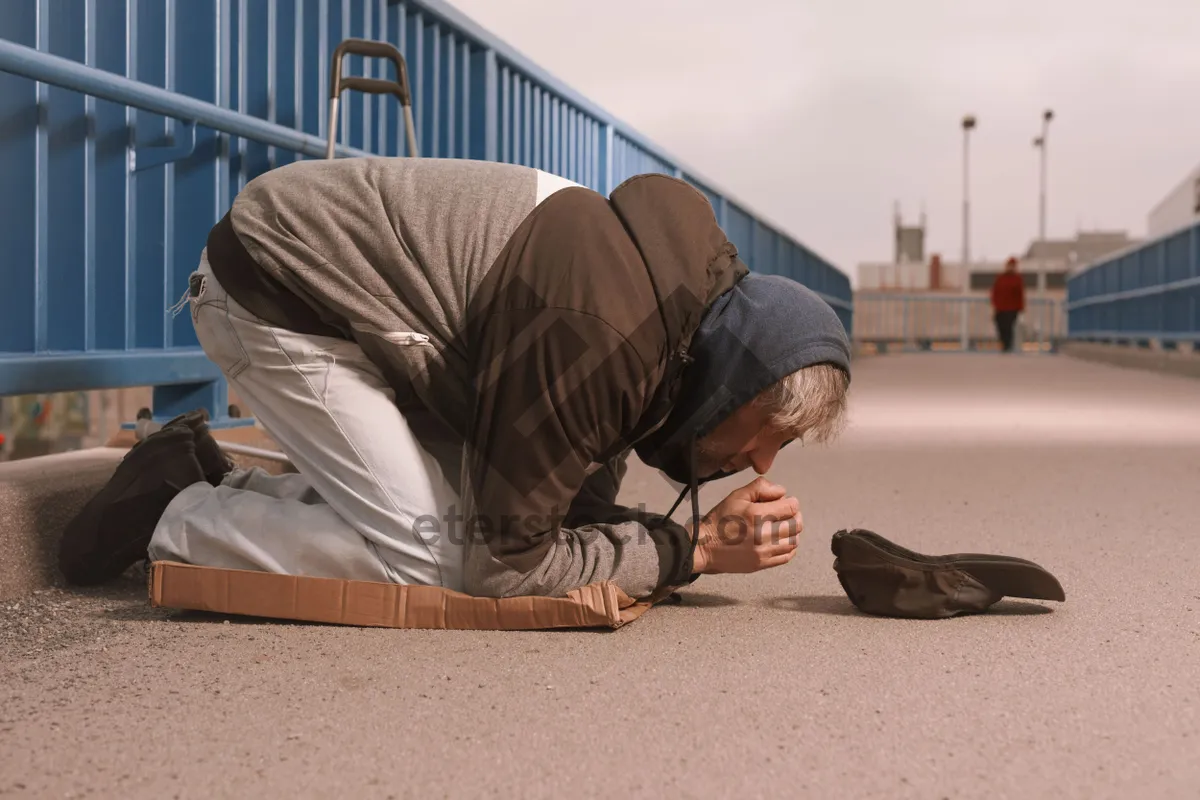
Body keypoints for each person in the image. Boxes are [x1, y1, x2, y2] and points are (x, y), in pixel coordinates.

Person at [58, 157, 852, 600]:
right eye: (771, 436)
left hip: (342, 305)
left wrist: (650, 547)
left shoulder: (659, 327)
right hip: (276, 293)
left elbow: (562, 518)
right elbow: (507, 566)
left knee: (457, 519)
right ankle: (176, 514)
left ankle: (197, 473)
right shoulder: (602, 333)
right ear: (736, 387)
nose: (761, 465)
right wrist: (695, 552)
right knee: (432, 560)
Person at [990, 257, 1026, 353]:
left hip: (1012, 308)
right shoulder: (1000, 278)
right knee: (1000, 326)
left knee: (1008, 327)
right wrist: (995, 304)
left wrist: (1021, 308)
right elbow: (995, 292)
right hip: (1000, 308)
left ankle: (1007, 346)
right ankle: (1004, 344)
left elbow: (1020, 294)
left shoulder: (1017, 279)